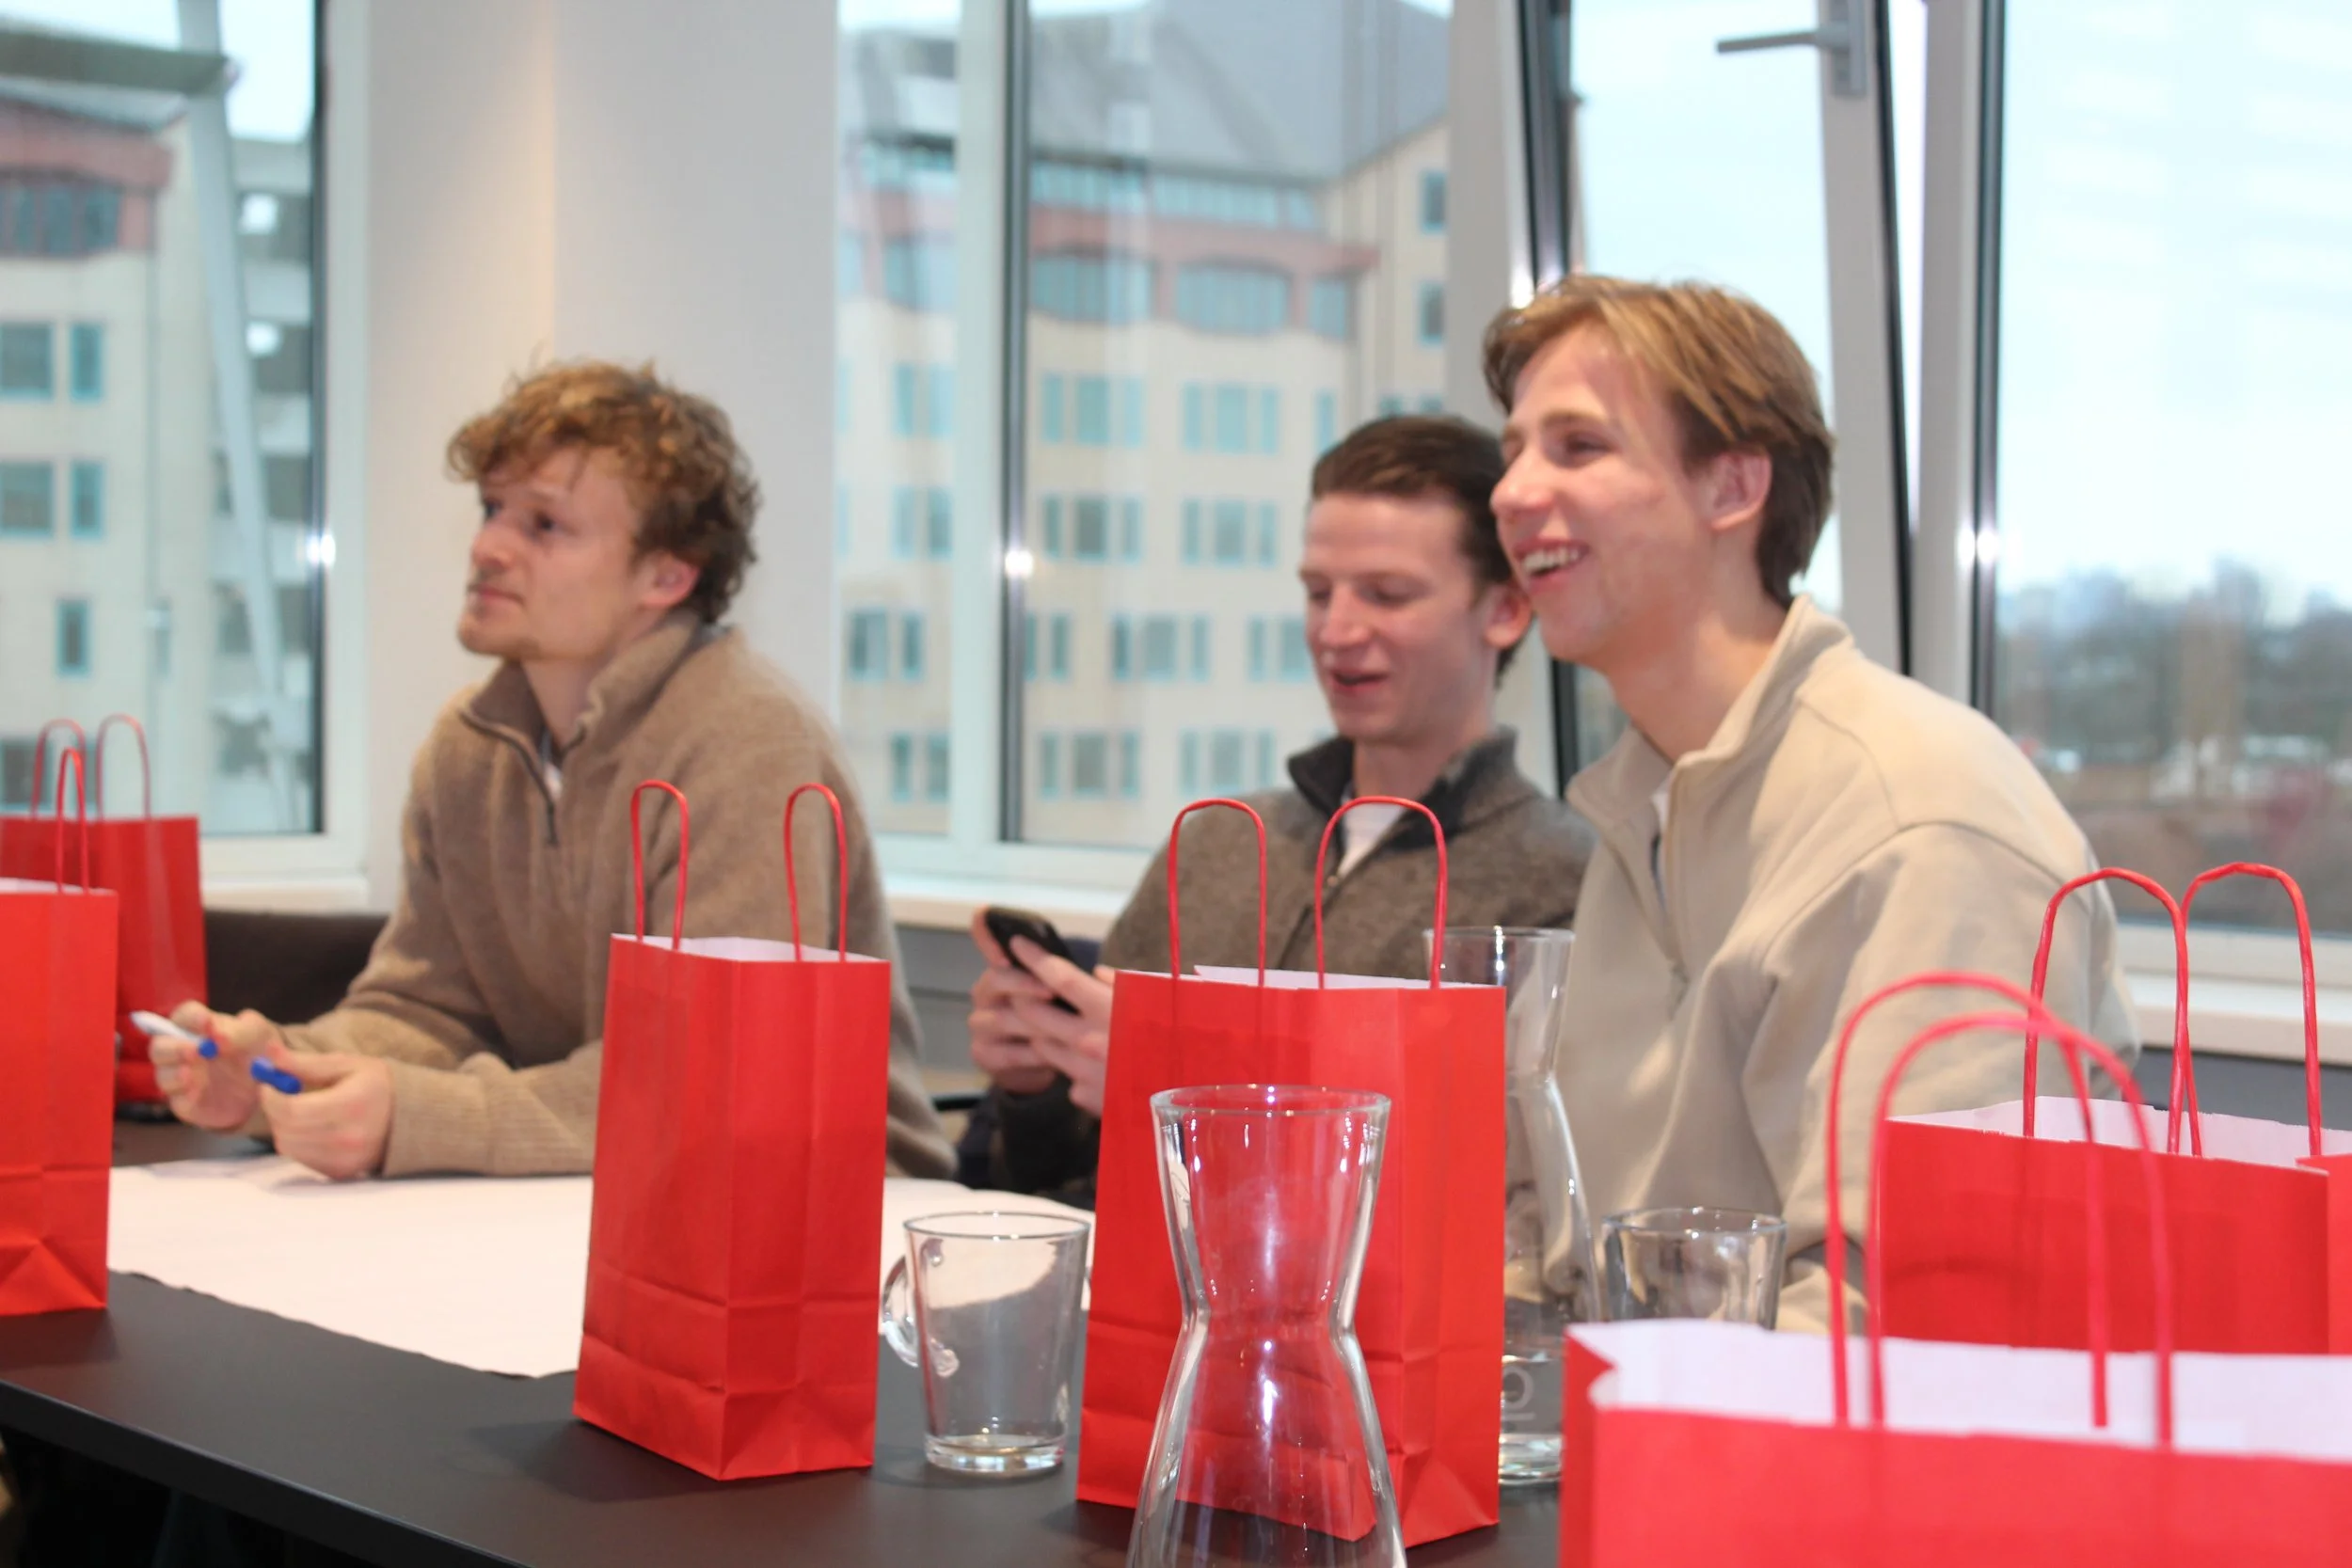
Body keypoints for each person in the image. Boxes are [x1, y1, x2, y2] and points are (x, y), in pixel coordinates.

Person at [1481, 276, 2135, 1330]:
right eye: (1512, 449)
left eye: (1578, 445)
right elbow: (1554, 1239)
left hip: (1805, 1428)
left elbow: (1894, 1314)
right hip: (1635, 1404)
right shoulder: (1642, 808)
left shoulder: (1919, 819)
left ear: (1733, 487)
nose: (1510, 492)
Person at [150, 361, 955, 1181]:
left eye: (544, 525)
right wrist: (276, 1070)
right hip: (590, 1194)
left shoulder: (749, 745)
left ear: (666, 575)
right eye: (491, 509)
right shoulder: (468, 749)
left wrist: (420, 1115)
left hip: (832, 1204)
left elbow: (711, 1077)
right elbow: (427, 1011)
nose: (488, 546)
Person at [963, 415, 1594, 1204]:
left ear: (1504, 609)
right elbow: (1065, 1178)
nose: (1336, 630)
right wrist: (1034, 1087)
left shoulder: (1562, 882)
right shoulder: (1216, 845)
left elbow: (1500, 1199)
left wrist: (1177, 1081)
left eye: (1387, 594)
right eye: (1318, 592)